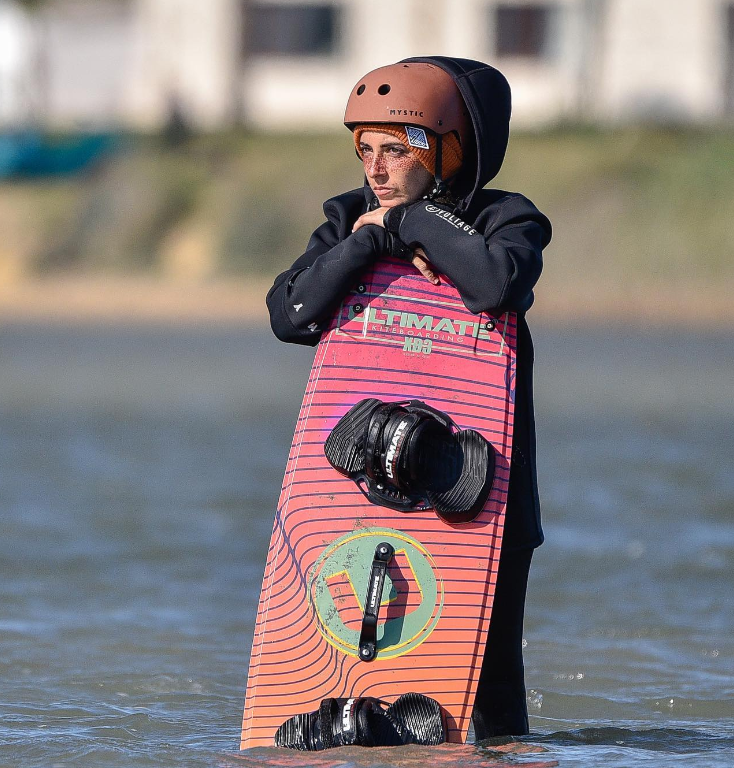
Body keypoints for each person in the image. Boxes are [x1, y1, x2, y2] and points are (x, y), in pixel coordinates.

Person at [266, 56, 552, 741]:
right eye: (365, 150)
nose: (375, 169)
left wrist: (416, 223)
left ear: (450, 151)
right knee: (357, 679)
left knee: (487, 703)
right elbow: (290, 312)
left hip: (480, 491)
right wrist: (366, 243)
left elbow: (493, 284)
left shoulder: (506, 219)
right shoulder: (348, 220)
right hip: (363, 476)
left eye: (395, 150)